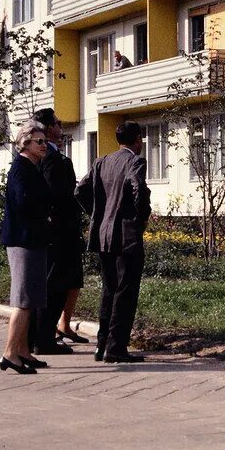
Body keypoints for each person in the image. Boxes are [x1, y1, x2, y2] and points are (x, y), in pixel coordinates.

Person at [76, 121, 149, 363]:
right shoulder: (135, 161)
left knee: (109, 290)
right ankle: (116, 348)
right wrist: (139, 218)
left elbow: (80, 191)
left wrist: (99, 213)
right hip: (126, 237)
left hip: (103, 235)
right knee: (125, 292)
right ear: (137, 139)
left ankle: (102, 345)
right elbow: (138, 187)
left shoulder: (102, 161)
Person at [29, 108, 87, 355]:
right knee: (55, 285)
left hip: (58, 230)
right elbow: (55, 196)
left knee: (58, 283)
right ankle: (44, 339)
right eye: (58, 123)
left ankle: (45, 336)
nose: (61, 128)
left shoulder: (46, 157)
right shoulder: (51, 159)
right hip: (60, 232)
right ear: (48, 128)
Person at [0, 119, 54, 374]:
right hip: (24, 239)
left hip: (32, 238)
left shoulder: (31, 166)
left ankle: (22, 350)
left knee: (30, 298)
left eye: (45, 141)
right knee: (22, 299)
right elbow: (24, 203)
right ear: (25, 142)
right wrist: (45, 214)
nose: (45, 145)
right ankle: (10, 352)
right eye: (39, 142)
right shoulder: (22, 168)